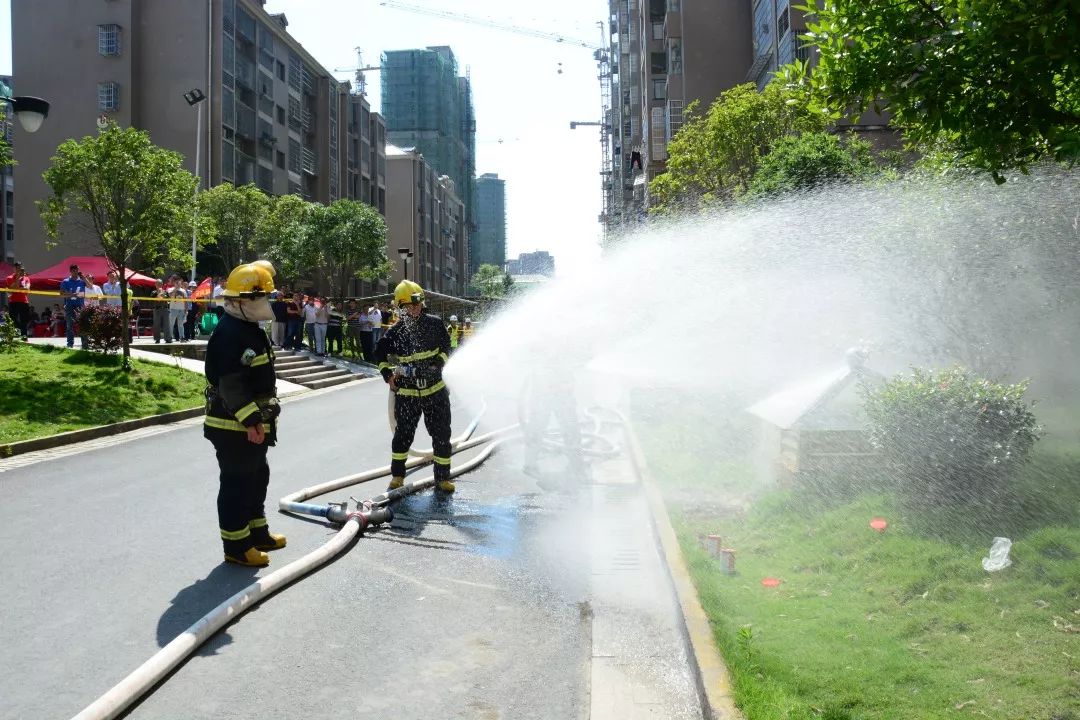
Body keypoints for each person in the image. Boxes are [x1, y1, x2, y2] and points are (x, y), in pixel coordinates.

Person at [203, 259, 285, 567]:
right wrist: (251, 421)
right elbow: (231, 384)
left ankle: (256, 533)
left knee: (257, 477)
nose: (266, 303)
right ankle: (236, 547)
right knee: (237, 484)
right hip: (233, 425)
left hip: (249, 424)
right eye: (261, 297)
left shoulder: (248, 328)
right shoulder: (230, 333)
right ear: (241, 301)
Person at [374, 280, 454, 493]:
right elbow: (379, 354)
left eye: (417, 304)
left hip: (436, 391)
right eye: (409, 306)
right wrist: (387, 374)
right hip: (408, 393)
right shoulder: (396, 331)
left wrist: (437, 364)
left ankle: (442, 479)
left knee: (441, 435)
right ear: (400, 307)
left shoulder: (435, 324)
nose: (414, 309)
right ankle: (398, 476)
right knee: (402, 436)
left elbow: (447, 346)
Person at [59, 264, 86, 349]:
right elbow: (62, 293)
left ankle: (85, 344)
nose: (76, 272)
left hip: (80, 306)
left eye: (77, 270)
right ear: (70, 271)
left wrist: (84, 277)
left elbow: (90, 286)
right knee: (69, 325)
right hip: (69, 306)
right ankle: (70, 344)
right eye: (74, 271)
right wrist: (72, 294)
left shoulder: (82, 281)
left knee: (82, 325)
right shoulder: (65, 281)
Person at [5, 262, 31, 338]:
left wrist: (18, 287)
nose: (18, 270)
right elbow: (12, 288)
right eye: (17, 268)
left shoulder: (26, 278)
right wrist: (18, 278)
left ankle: (24, 336)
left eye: (20, 268)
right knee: (13, 319)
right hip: (13, 301)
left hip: (24, 301)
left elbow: (27, 288)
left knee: (24, 320)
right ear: (14, 269)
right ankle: (15, 333)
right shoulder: (9, 278)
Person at [150, 279, 172, 343]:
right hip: (157, 309)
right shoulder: (153, 292)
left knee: (166, 324)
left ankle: (168, 338)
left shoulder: (166, 292)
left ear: (162, 284)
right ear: (155, 285)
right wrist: (159, 293)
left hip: (165, 309)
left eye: (160, 284)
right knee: (156, 324)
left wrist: (164, 295)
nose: (159, 285)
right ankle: (157, 339)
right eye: (157, 284)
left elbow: (169, 300)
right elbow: (153, 300)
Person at [168, 277, 188, 342]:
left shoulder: (183, 290)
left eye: (179, 282)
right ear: (174, 283)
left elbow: (186, 301)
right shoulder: (170, 289)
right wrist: (175, 289)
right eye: (176, 282)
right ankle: (170, 337)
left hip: (181, 309)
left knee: (181, 324)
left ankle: (182, 337)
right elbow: (170, 295)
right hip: (173, 309)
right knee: (171, 324)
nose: (178, 283)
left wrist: (186, 310)